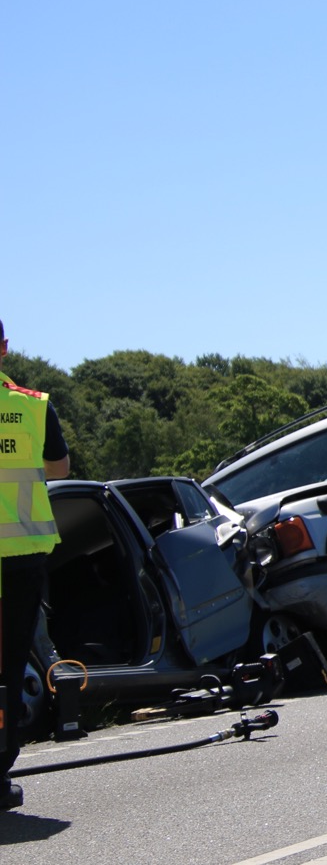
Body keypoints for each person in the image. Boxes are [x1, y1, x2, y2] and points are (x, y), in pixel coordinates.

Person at [1, 317, 70, 811]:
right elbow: (58, 470)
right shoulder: (31, 405)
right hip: (19, 560)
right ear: (3, 348)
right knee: (6, 669)